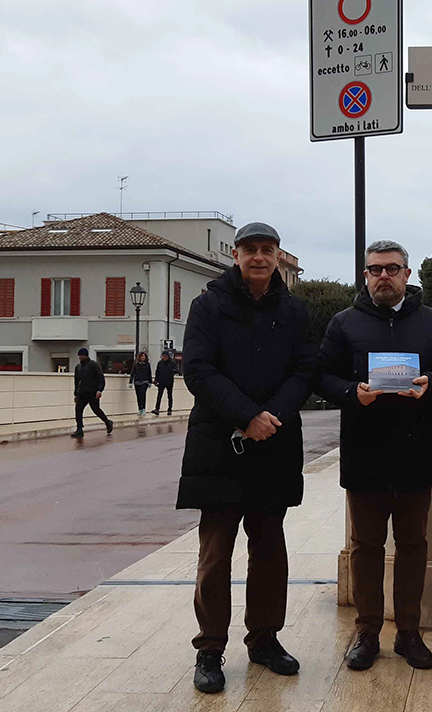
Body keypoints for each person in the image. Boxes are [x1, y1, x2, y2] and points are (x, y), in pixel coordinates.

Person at [176, 222, 317, 695]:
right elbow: (197, 369)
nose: (259, 257)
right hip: (219, 443)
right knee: (216, 552)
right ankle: (210, 649)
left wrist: (270, 416)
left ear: (278, 255)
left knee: (270, 550)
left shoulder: (295, 310)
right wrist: (245, 414)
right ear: (235, 255)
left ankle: (264, 640)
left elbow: (305, 370)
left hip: (273, 442)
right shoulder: (208, 305)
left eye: (267, 250)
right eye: (250, 249)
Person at [317, 240, 432, 672]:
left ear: (407, 274)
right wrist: (351, 393)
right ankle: (366, 632)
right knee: (366, 547)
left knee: (413, 546)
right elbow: (322, 376)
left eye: (392, 269)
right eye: (375, 269)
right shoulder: (343, 324)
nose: (384, 276)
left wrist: (430, 383)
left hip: (416, 453)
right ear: (365, 275)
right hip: (364, 454)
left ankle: (407, 632)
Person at [71, 348, 113, 438]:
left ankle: (107, 422)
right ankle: (79, 429)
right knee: (78, 410)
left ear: (85, 355)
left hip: (92, 392)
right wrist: (76, 393)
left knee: (96, 410)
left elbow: (100, 378)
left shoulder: (94, 365)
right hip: (82, 392)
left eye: (81, 355)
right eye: (79, 355)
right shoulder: (78, 367)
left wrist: (99, 390)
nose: (80, 357)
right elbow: (76, 381)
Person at [153, 350, 177, 415]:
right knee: (159, 395)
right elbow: (157, 372)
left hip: (169, 381)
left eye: (165, 356)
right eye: (163, 356)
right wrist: (156, 380)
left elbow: (176, 370)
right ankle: (157, 409)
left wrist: (171, 370)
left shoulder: (172, 362)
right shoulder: (160, 363)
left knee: (169, 395)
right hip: (161, 381)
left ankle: (169, 409)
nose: (164, 357)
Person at [130, 351, 152, 415]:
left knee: (143, 394)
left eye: (144, 356)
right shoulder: (136, 364)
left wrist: (150, 381)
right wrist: (130, 381)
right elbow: (132, 373)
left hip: (145, 381)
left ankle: (143, 408)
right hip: (137, 382)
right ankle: (139, 408)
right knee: (138, 396)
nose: (143, 357)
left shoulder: (147, 364)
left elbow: (149, 373)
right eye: (142, 356)